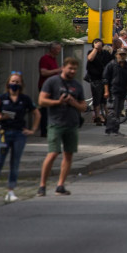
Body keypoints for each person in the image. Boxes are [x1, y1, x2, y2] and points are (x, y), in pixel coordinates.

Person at [0, 72, 39, 201]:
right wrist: (3, 117)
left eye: (17, 82)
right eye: (13, 81)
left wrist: (33, 130)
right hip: (4, 133)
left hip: (19, 134)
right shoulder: (2, 98)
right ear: (8, 83)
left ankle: (11, 190)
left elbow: (36, 113)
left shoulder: (24, 99)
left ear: (21, 84)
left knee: (15, 163)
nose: (15, 84)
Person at [38, 57, 86, 196]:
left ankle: (60, 185)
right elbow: (41, 100)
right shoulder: (52, 82)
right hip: (55, 123)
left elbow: (83, 107)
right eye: (70, 68)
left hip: (72, 124)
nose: (72, 71)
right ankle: (42, 186)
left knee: (68, 154)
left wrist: (73, 103)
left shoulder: (77, 85)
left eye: (75, 69)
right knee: (53, 153)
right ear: (63, 67)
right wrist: (57, 102)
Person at [103, 47, 127, 135]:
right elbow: (105, 79)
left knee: (119, 111)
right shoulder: (111, 64)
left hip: (122, 91)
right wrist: (106, 91)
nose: (122, 56)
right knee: (112, 110)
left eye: (124, 54)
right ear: (116, 55)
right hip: (113, 91)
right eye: (120, 54)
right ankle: (109, 129)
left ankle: (116, 129)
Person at [38, 42, 62, 137]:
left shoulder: (54, 59)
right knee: (45, 109)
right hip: (45, 87)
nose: (59, 51)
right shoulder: (45, 59)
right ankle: (44, 130)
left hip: (54, 87)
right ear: (52, 49)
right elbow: (43, 72)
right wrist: (58, 70)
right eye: (58, 49)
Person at [85, 39, 111, 125]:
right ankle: (97, 116)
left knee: (104, 99)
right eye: (97, 45)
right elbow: (90, 58)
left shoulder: (105, 53)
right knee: (97, 98)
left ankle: (106, 116)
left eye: (100, 45)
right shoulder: (91, 52)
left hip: (104, 78)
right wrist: (95, 48)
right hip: (95, 79)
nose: (99, 47)